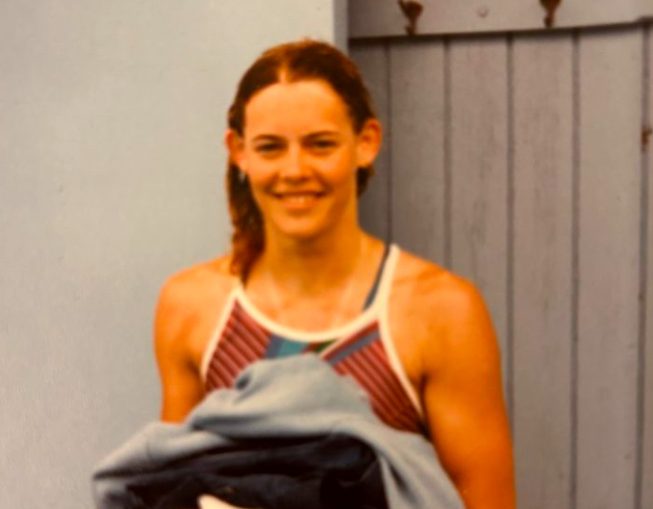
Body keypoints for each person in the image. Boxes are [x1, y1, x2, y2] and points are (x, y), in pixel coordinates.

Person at [154, 39, 515, 509]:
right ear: (238, 151)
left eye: (320, 145)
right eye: (270, 148)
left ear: (366, 143)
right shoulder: (192, 307)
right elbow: (171, 481)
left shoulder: (440, 312)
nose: (295, 169)